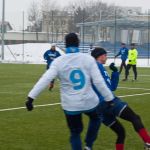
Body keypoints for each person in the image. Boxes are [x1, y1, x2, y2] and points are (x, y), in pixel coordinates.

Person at [25, 33, 115, 150]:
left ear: (65, 44)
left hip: (70, 104)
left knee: (75, 133)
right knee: (96, 118)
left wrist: (31, 98)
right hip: (89, 101)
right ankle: (88, 146)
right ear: (78, 43)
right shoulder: (88, 59)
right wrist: (109, 99)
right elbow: (98, 82)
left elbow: (45, 79)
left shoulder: (58, 61)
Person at [91, 47, 150, 150]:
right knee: (135, 118)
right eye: (105, 55)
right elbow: (108, 89)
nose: (106, 57)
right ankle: (148, 142)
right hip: (108, 101)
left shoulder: (98, 68)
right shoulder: (96, 66)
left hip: (99, 109)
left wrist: (114, 72)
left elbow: (112, 87)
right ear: (100, 56)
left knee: (121, 132)